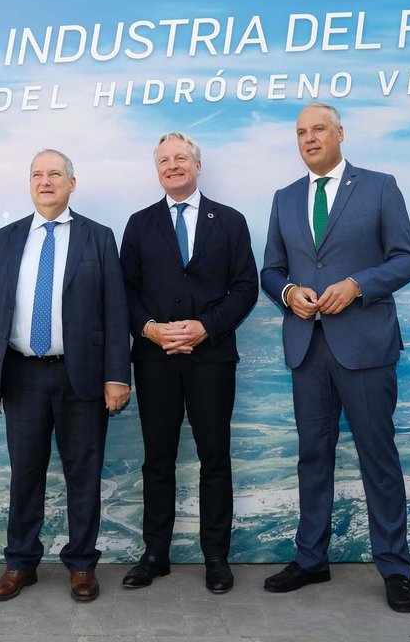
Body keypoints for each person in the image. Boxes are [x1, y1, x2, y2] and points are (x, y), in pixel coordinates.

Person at [260, 102, 410, 612]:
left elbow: (408, 260)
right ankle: (312, 560)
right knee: (313, 456)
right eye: (301, 132)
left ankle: (395, 568)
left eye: (319, 129)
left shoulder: (379, 186)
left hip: (366, 348)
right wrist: (287, 294)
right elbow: (270, 270)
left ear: (340, 134)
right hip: (308, 348)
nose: (309, 139)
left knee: (378, 458)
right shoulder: (285, 198)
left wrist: (357, 285)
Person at [0, 149, 130, 603]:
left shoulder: (97, 238)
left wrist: (117, 375)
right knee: (25, 474)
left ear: (71, 183)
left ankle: (82, 564)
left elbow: (116, 309)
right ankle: (20, 563)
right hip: (21, 375)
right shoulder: (5, 239)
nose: (46, 181)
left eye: (55, 174)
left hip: (81, 376)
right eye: (38, 175)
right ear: (29, 184)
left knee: (84, 474)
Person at [119, 132, 258, 594]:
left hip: (212, 357)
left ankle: (216, 557)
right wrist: (152, 329)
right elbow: (127, 291)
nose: (173, 165)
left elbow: (245, 288)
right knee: (157, 459)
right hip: (154, 359)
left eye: (181, 158)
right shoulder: (139, 225)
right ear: (156, 170)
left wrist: (204, 328)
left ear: (198, 166)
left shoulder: (231, 221)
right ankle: (155, 554)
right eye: (164, 160)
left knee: (214, 457)